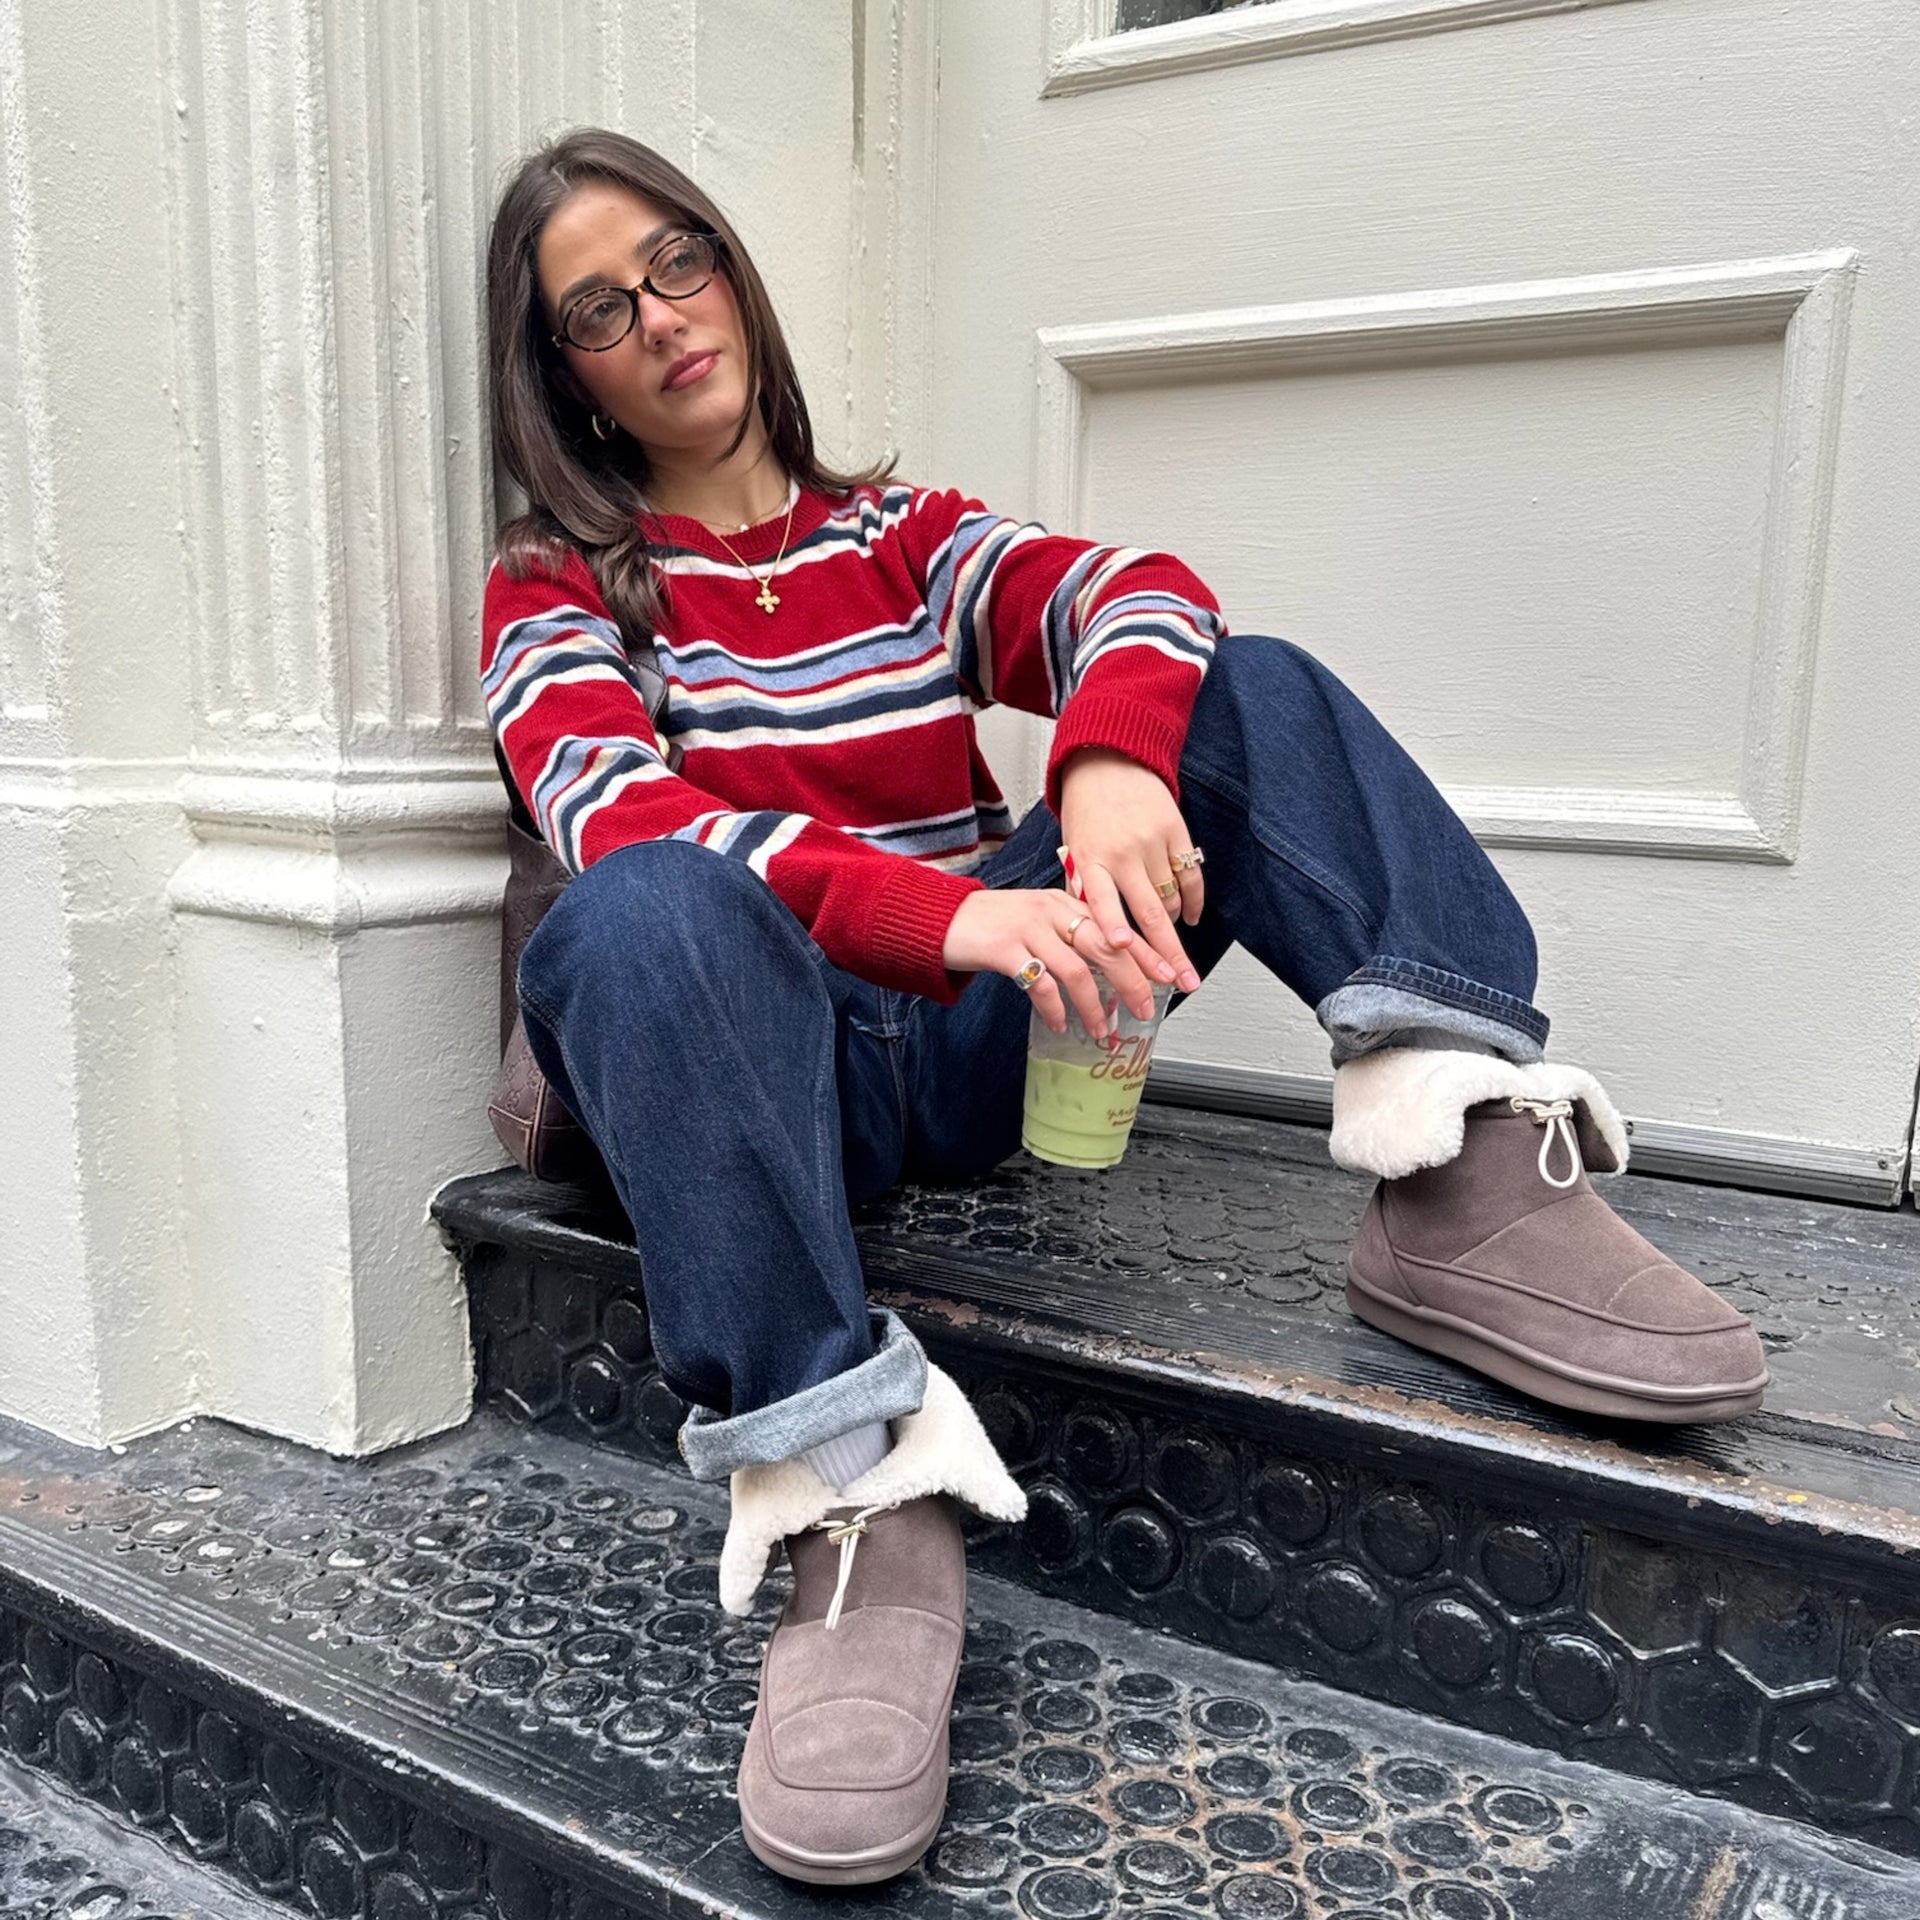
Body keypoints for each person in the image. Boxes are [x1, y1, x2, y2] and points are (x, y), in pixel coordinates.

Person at [480, 128, 1767, 1886]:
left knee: (1240, 689)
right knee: (646, 903)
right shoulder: (558, 589)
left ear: (733, 268)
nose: (661, 316)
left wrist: (1100, 767)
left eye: (680, 257)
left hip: (959, 1053)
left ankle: (1457, 1162)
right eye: (598, 309)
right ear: (567, 377)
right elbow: (621, 810)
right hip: (759, 1076)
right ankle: (854, 1497)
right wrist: (954, 918)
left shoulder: (901, 539)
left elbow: (1135, 592)